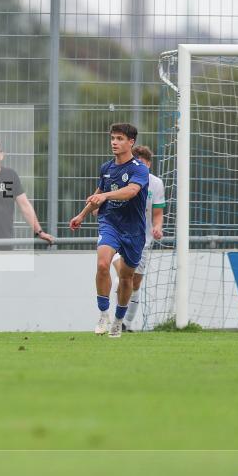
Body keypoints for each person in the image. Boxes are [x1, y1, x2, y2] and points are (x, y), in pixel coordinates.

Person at [69, 123, 149, 338]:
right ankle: (103, 315)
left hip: (134, 230)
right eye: (113, 138)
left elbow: (131, 191)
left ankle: (118, 320)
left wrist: (105, 196)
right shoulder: (106, 168)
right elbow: (99, 193)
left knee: (126, 278)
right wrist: (82, 214)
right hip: (110, 223)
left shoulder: (139, 168)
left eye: (120, 138)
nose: (114, 142)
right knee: (103, 263)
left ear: (131, 142)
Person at [110, 145, 165, 331]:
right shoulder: (124, 177)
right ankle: (116, 320)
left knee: (134, 282)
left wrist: (157, 228)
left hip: (142, 239)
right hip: (117, 233)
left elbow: (157, 213)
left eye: (143, 164)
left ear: (149, 164)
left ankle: (126, 323)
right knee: (122, 276)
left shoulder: (156, 184)